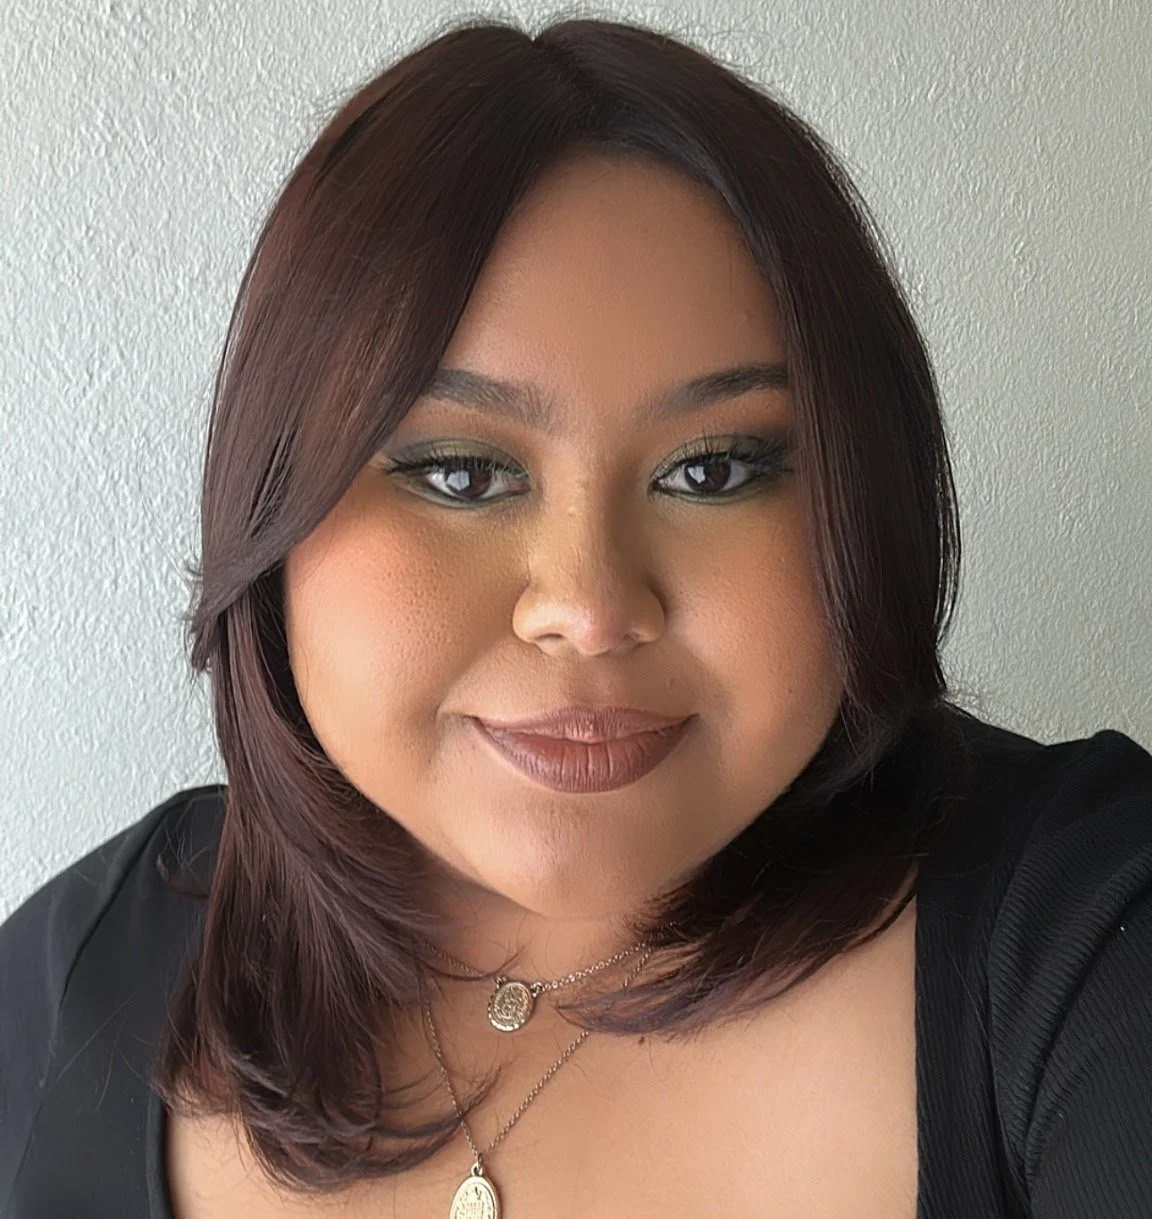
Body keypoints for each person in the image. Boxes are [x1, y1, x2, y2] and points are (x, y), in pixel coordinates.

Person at [2, 15, 1150, 1219]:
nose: (590, 611)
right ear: (274, 506)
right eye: (461, 473)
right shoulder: (73, 974)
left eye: (712, 470)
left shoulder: (1090, 941)